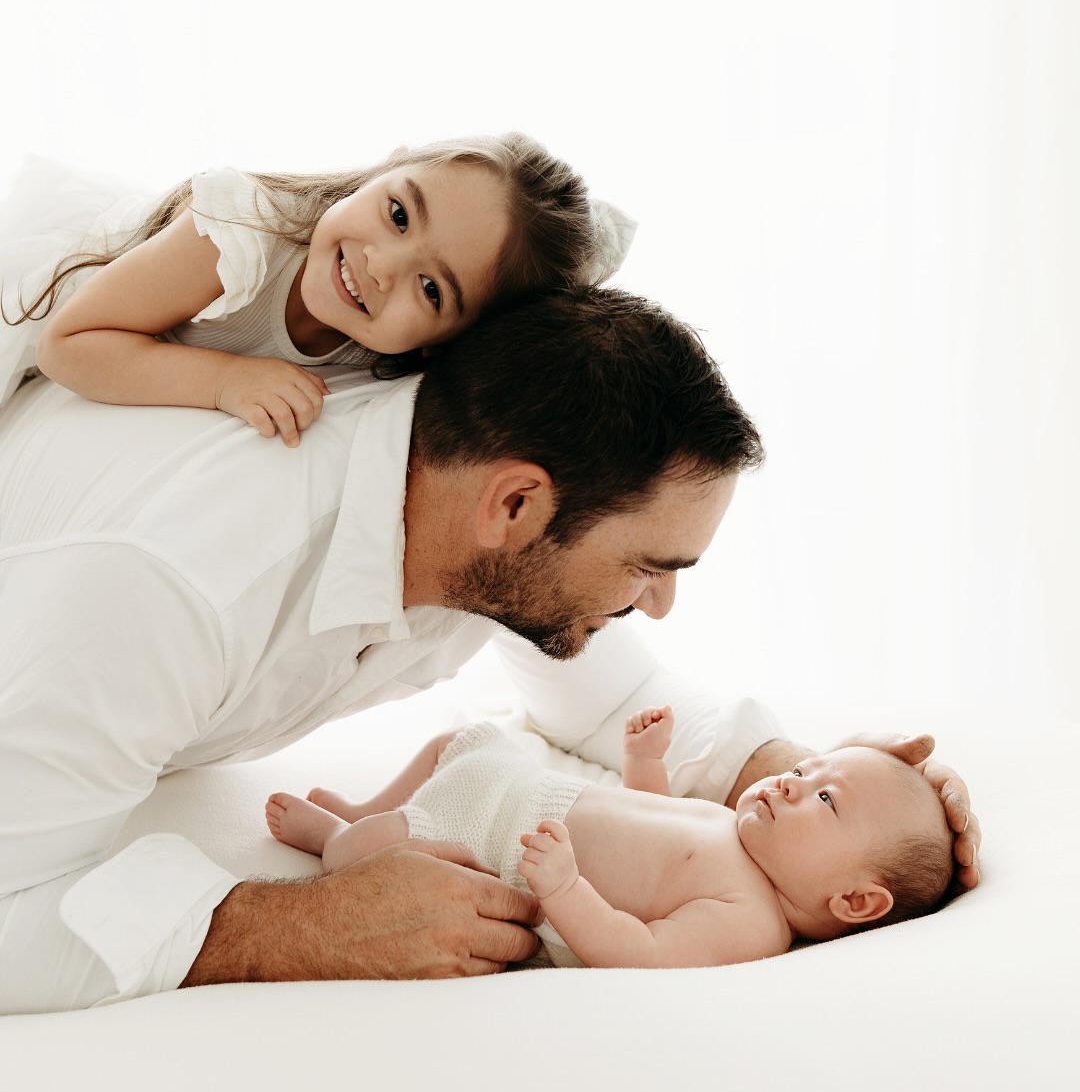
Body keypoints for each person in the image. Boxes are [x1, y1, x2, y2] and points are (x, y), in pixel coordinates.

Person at [0, 285, 980, 1014]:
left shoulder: (459, 501)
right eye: (650, 565)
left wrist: (829, 788)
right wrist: (285, 927)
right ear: (516, 504)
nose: (660, 605)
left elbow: (601, 702)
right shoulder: (174, 586)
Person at [0, 134, 636, 435]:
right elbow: (69, 343)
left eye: (432, 290)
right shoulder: (238, 235)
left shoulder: (383, 358)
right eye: (397, 214)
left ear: (446, 342)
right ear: (386, 168)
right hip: (49, 298)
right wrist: (223, 381)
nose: (382, 266)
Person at [265, 706, 957, 969]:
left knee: (377, 850)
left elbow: (640, 949)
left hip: (504, 849)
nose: (789, 781)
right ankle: (364, 805)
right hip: (533, 794)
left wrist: (565, 888)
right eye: (805, 770)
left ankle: (335, 837)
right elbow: (648, 815)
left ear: (857, 902)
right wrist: (644, 764)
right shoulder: (739, 831)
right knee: (463, 739)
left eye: (824, 798)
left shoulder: (752, 925)